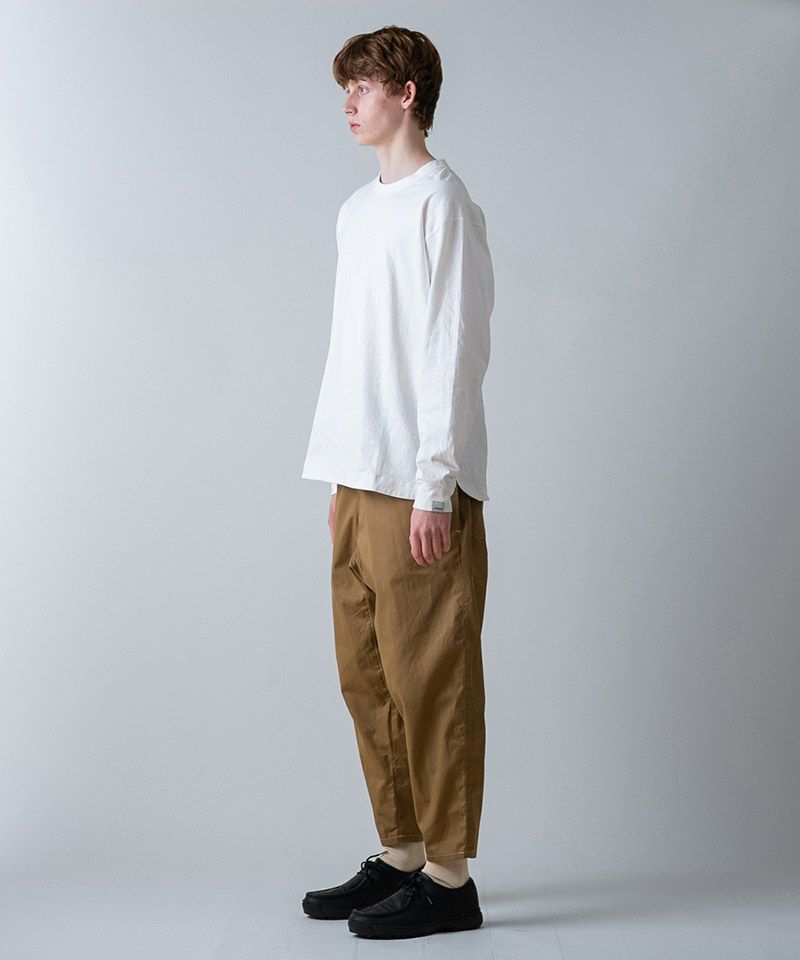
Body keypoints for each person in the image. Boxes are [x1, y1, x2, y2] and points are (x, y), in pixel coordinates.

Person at [299, 24, 494, 940]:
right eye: (346, 88)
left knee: (432, 679)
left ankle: (451, 881)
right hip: (359, 473)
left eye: (364, 86)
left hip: (419, 483)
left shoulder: (441, 204)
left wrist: (435, 485)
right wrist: (340, 475)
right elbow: (355, 353)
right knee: (367, 678)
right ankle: (403, 853)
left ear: (407, 94)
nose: (349, 102)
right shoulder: (354, 211)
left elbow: (453, 349)